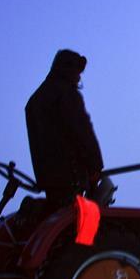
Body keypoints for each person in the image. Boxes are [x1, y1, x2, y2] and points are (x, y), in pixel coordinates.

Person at [25, 49, 104, 210]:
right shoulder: (65, 93)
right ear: (68, 69)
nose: (79, 77)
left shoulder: (35, 100)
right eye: (77, 72)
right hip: (70, 177)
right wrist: (95, 166)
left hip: (49, 181)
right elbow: (82, 131)